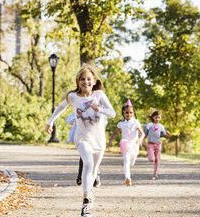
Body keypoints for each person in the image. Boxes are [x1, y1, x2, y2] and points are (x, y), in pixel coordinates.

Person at [46, 64, 116, 217]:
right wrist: (51, 121)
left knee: (93, 169)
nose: (86, 82)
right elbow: (61, 107)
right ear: (78, 82)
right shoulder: (73, 97)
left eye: (89, 79)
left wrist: (99, 109)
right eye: (82, 79)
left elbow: (113, 113)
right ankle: (86, 203)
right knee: (88, 163)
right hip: (82, 138)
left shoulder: (99, 95)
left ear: (94, 80)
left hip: (99, 140)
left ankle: (92, 186)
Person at [107, 99, 144, 186]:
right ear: (123, 113)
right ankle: (128, 178)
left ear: (133, 113)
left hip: (134, 144)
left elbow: (142, 133)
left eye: (131, 112)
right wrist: (110, 142)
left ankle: (130, 165)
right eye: (126, 112)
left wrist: (140, 139)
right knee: (126, 160)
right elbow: (115, 133)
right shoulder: (121, 123)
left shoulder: (136, 122)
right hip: (125, 144)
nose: (129, 114)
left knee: (132, 161)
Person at [143, 109, 170, 180]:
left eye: (159, 117)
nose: (157, 119)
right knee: (152, 159)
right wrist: (143, 140)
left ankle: (155, 173)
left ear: (160, 118)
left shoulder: (161, 126)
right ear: (153, 117)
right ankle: (149, 155)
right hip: (150, 144)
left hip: (158, 144)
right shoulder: (150, 125)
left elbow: (163, 135)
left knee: (157, 159)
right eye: (156, 117)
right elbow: (145, 133)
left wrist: (167, 134)